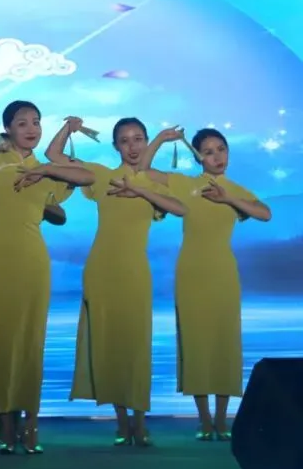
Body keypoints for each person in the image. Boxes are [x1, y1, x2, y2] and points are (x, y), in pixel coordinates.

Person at [0, 100, 94, 455]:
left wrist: (47, 168)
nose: (31, 128)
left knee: (29, 343)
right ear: (7, 129)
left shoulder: (47, 169)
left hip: (30, 261)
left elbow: (89, 177)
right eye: (22, 123)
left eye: (36, 122)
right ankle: (5, 426)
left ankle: (31, 425)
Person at [46, 116, 187, 446]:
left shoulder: (153, 184)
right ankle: (122, 423)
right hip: (102, 270)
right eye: (125, 141)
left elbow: (182, 209)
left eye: (139, 139)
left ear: (146, 142)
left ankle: (140, 421)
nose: (132, 146)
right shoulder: (102, 176)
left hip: (135, 271)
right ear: (115, 147)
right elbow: (54, 156)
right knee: (109, 344)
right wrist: (68, 128)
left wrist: (141, 184)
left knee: (135, 345)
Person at [138, 126, 272, 440]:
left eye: (221, 149)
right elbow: (143, 170)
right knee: (196, 341)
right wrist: (161, 139)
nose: (217, 157)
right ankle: (204, 420)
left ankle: (222, 420)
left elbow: (265, 214)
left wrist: (229, 199)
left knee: (224, 341)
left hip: (223, 272)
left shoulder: (236, 190)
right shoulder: (186, 184)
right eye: (209, 152)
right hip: (191, 273)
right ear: (198, 157)